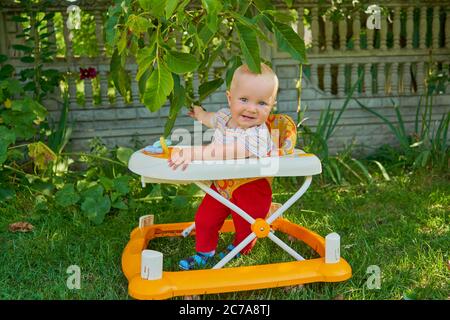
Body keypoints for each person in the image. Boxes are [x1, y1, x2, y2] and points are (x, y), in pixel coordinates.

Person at [168, 63, 279, 270]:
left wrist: (192, 153)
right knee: (205, 219)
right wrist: (200, 113)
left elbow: (224, 152)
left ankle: (241, 247)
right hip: (222, 184)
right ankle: (204, 252)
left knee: (246, 225)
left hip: (251, 188)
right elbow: (210, 119)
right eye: (244, 99)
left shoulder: (259, 135)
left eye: (262, 103)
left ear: (272, 105)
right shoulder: (224, 116)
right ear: (230, 99)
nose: (251, 108)